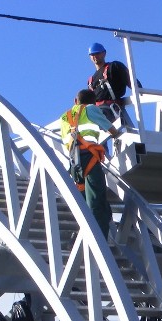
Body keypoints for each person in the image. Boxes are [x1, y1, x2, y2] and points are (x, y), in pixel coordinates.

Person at [60, 89, 120, 237]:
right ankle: (99, 239)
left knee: (85, 202)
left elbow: (64, 141)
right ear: (93, 102)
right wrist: (117, 134)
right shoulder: (90, 109)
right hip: (89, 158)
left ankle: (82, 236)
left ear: (75, 101)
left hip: (74, 163)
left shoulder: (64, 117)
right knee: (96, 202)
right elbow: (111, 130)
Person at [87, 41, 134, 126]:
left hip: (110, 109)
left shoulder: (114, 67)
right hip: (97, 112)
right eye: (92, 54)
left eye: (97, 53)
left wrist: (140, 93)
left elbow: (133, 83)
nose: (95, 56)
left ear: (104, 53)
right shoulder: (91, 81)